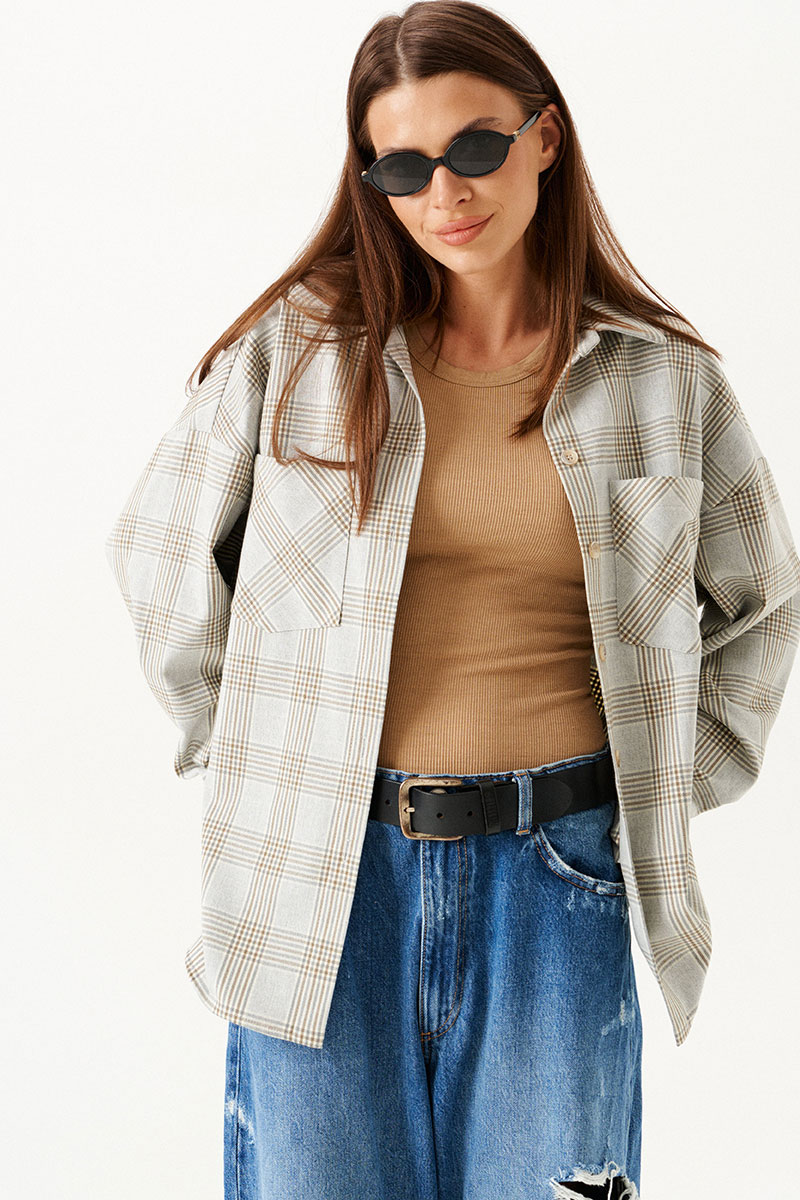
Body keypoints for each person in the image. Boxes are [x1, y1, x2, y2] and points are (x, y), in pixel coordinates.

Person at [104, 3, 800, 1197]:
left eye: (475, 147)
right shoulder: (299, 353)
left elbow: (760, 605)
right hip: (320, 884)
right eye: (403, 167)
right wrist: (253, 748)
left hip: (559, 877)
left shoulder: (659, 379)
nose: (445, 193)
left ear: (543, 138)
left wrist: (666, 778)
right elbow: (159, 555)